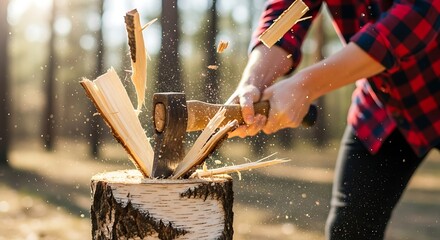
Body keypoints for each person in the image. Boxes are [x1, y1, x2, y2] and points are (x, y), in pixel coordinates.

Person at [228, 0, 440, 239]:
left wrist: (305, 85)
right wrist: (252, 82)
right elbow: (286, 14)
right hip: (383, 106)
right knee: (350, 232)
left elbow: (418, 14)